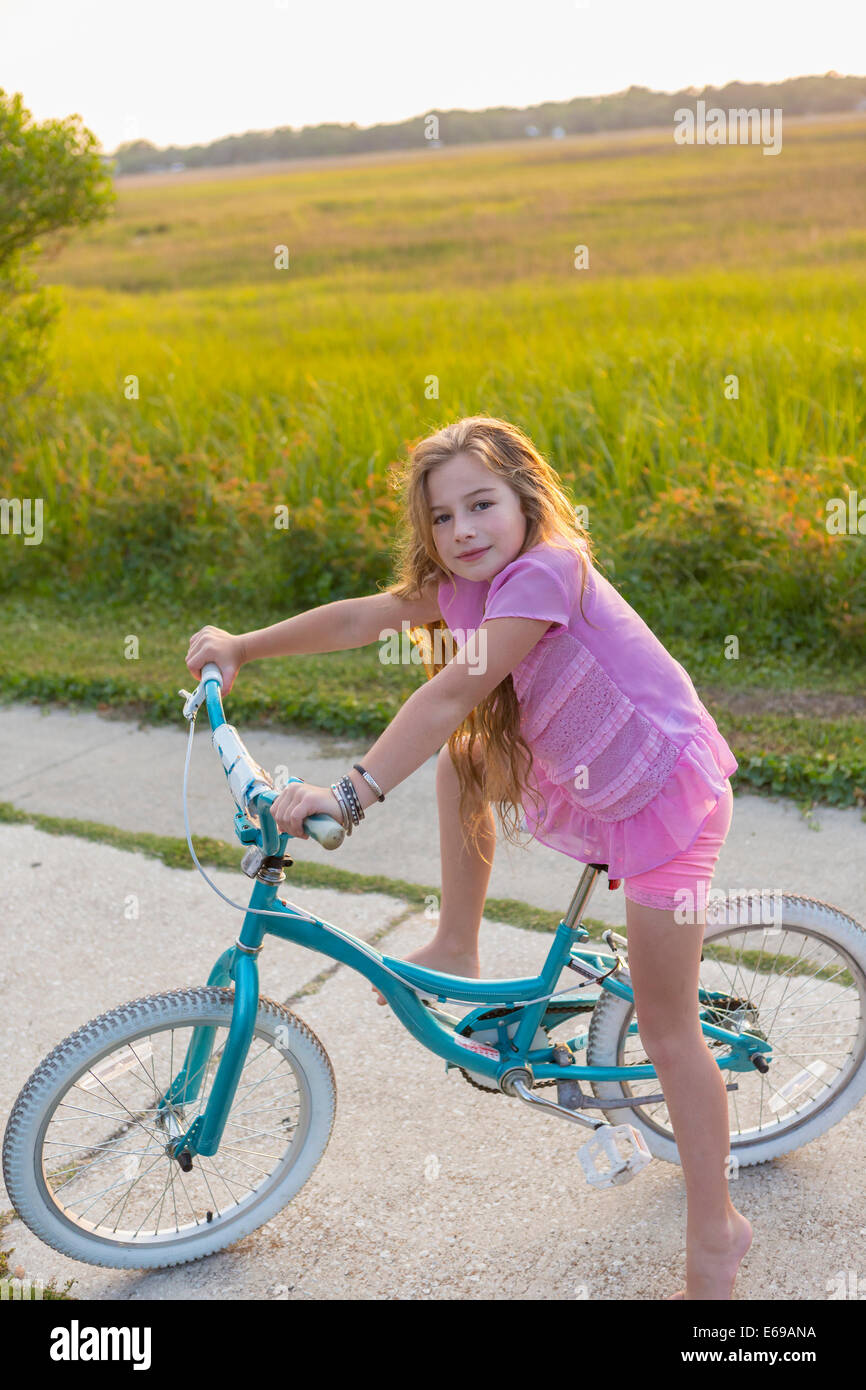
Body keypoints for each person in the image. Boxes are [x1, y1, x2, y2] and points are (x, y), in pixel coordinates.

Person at [185, 414, 751, 1300]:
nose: (464, 532)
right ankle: (457, 941)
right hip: (593, 769)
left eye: (482, 505)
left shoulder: (549, 571)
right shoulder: (461, 581)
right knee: (467, 765)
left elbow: (454, 688)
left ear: (527, 499)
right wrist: (243, 647)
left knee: (670, 1027)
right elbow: (363, 616)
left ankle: (716, 1234)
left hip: (665, 796)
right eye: (443, 518)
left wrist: (348, 795)